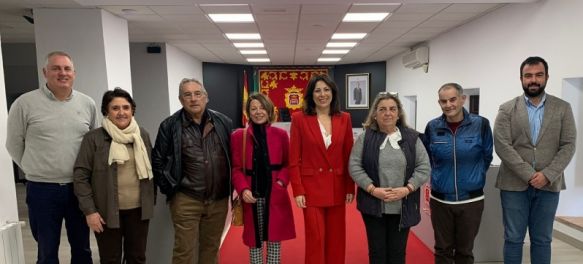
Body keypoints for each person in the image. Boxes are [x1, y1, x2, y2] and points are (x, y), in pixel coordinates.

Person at [6, 51, 97, 264]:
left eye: (67, 69)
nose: (62, 73)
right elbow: (13, 144)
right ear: (45, 72)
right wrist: (34, 168)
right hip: (41, 190)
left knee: (83, 248)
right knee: (47, 250)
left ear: (74, 73)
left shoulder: (87, 104)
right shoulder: (24, 103)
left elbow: (92, 145)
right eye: (56, 68)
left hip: (79, 189)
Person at [494, 56, 576, 264]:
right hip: (513, 185)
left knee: (542, 240)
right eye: (528, 76)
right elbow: (502, 145)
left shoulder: (563, 108)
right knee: (513, 239)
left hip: (549, 185)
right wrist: (530, 175)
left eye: (538, 75)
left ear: (546, 77)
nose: (533, 80)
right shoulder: (506, 109)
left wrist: (547, 175)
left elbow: (568, 145)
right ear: (521, 78)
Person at [152, 78, 234, 264]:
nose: (193, 99)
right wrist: (171, 188)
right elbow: (157, 160)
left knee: (211, 249)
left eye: (198, 94)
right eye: (187, 95)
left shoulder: (223, 122)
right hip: (186, 198)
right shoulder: (170, 125)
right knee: (184, 251)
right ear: (181, 100)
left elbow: (233, 155)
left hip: (218, 199)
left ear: (206, 97)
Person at [73, 88, 155, 264]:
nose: (121, 112)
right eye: (115, 108)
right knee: (110, 259)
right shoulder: (93, 138)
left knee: (137, 258)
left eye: (126, 107)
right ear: (106, 111)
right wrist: (90, 211)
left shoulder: (142, 135)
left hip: (139, 211)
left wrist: (151, 200)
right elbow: (80, 176)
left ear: (132, 110)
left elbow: (151, 170)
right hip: (105, 212)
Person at [349, 92, 430, 264]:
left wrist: (407, 189)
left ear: (398, 113)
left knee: (397, 253)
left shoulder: (412, 138)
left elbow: (424, 167)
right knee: (377, 252)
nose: (388, 113)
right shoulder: (365, 137)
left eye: (392, 109)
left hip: (403, 205)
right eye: (382, 109)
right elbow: (354, 166)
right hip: (373, 205)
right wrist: (373, 189)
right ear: (375, 114)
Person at [423, 83, 493, 264]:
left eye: (453, 99)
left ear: (463, 99)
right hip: (440, 200)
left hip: (471, 200)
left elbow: (486, 156)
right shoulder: (432, 127)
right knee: (442, 250)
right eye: (443, 101)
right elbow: (428, 158)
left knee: (465, 251)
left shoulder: (481, 124)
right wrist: (440, 177)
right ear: (439, 103)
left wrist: (473, 177)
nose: (448, 105)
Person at [289, 74, 355, 264]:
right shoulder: (299, 119)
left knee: (336, 238)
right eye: (317, 90)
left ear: (333, 93)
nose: (322, 94)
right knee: (315, 238)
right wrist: (298, 190)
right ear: (311, 94)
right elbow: (294, 159)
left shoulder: (345, 118)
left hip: (337, 186)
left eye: (326, 90)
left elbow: (348, 155)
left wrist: (350, 187)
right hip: (311, 189)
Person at [230, 93, 296, 264]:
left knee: (274, 238)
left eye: (262, 108)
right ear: (248, 112)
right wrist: (243, 189)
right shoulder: (238, 136)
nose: (258, 112)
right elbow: (236, 168)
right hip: (252, 196)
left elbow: (289, 164)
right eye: (253, 108)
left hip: (275, 195)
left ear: (269, 110)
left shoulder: (281, 134)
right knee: (255, 241)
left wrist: (281, 182)